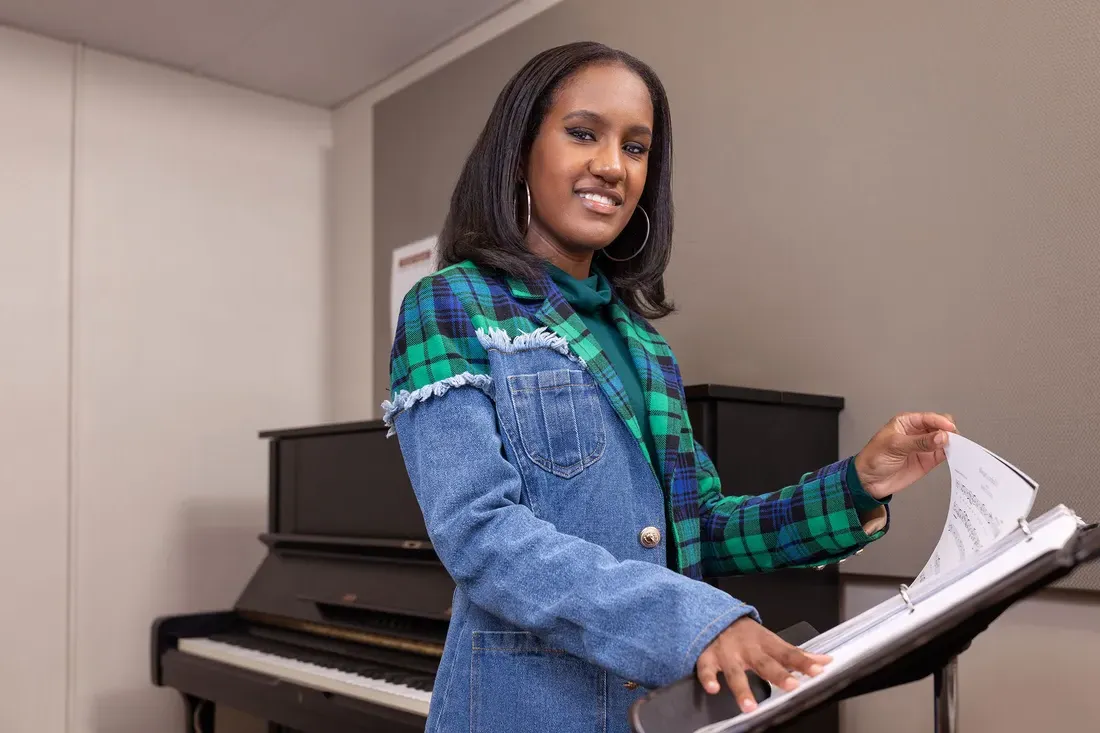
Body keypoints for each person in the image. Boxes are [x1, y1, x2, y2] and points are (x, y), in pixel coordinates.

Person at [382, 41, 956, 733]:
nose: (610, 166)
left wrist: (858, 484)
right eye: (583, 133)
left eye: (636, 147)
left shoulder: (646, 346)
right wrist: (697, 622)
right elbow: (482, 537)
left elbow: (700, 528)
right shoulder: (447, 305)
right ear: (520, 149)